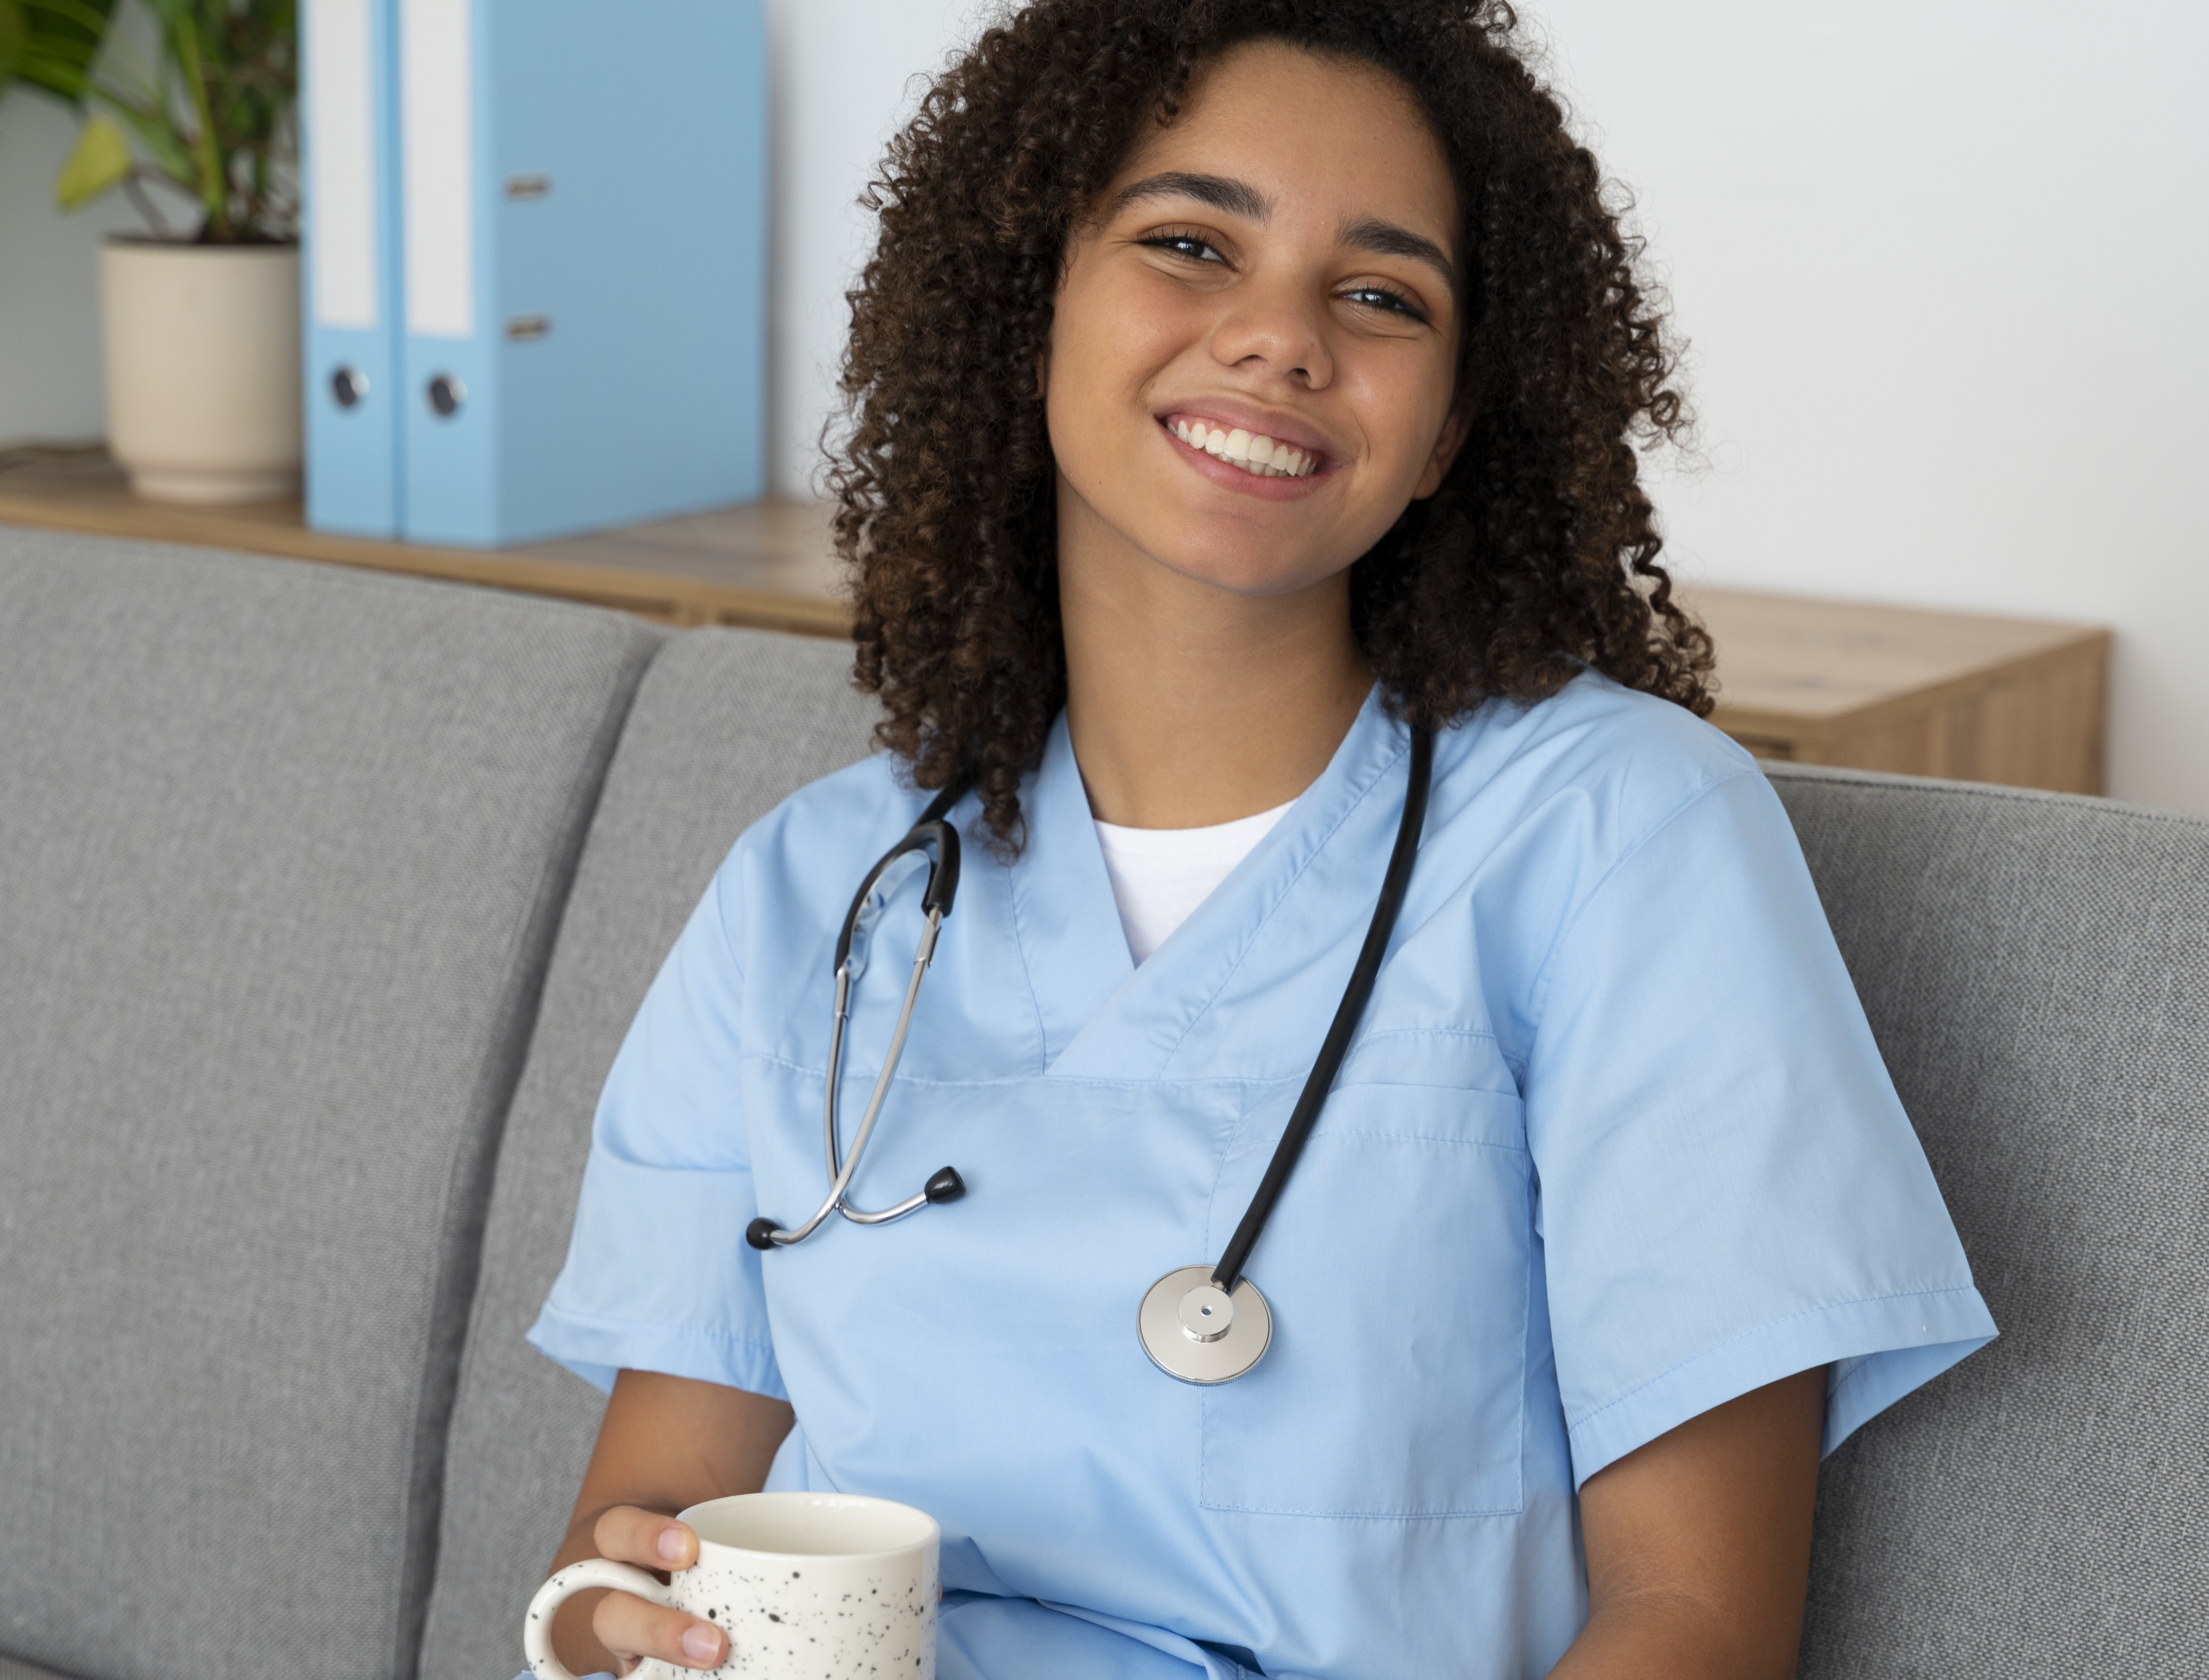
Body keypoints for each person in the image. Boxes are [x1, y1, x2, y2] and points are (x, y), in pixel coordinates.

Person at [520, 3, 1996, 1676]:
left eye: (1380, 294)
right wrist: (611, 1618)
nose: (1280, 337)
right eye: (1188, 243)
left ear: (1447, 429)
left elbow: (1697, 1623)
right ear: (1034, 311)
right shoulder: (811, 897)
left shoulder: (1619, 841)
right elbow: (632, 1536)